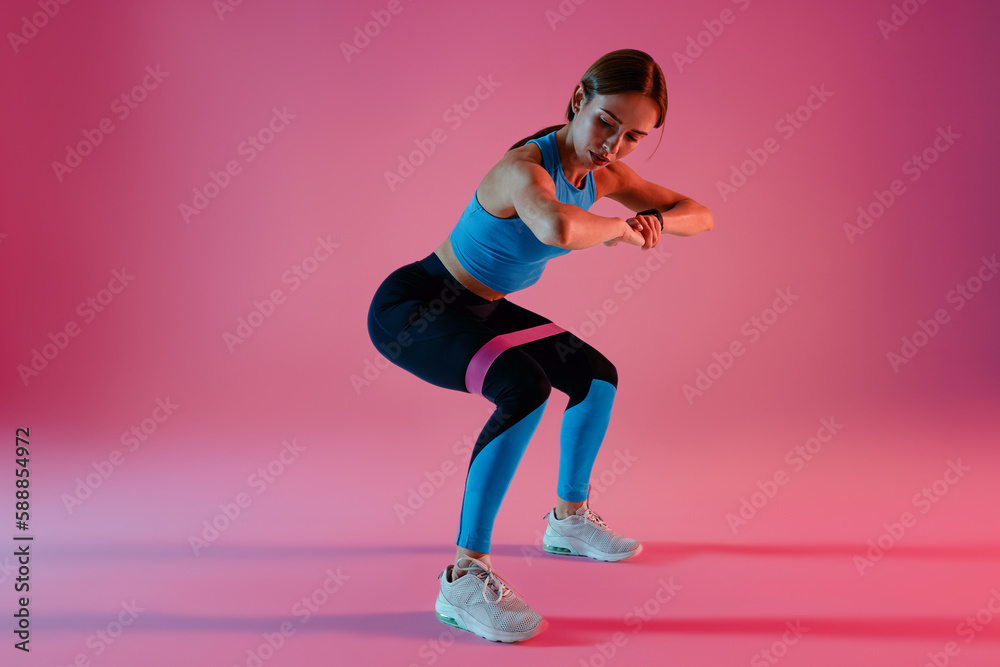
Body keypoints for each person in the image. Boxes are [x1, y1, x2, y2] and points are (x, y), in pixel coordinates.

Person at [366, 48, 713, 643]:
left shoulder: (605, 175)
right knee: (523, 388)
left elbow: (698, 214)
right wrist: (625, 230)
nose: (614, 144)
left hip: (484, 310)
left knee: (595, 376)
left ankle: (568, 521)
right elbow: (557, 227)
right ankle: (464, 575)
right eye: (607, 121)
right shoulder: (523, 168)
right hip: (416, 308)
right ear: (579, 98)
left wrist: (653, 221)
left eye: (635, 136)